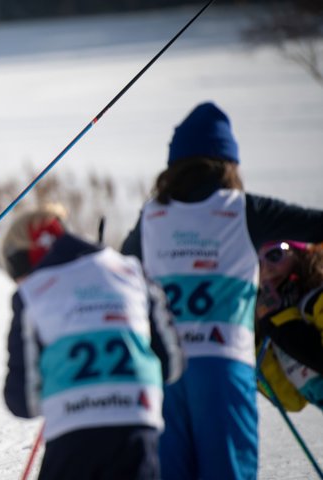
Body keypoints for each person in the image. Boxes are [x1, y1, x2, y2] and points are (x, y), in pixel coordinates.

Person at [120, 101, 323, 479]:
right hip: (222, 366)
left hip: (165, 372)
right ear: (228, 163)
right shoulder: (244, 209)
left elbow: (119, 274)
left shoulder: (152, 216)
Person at [2, 204, 184, 480]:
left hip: (72, 438)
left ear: (26, 259)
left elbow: (22, 401)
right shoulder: (132, 272)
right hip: (137, 429)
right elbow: (171, 365)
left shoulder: (31, 294)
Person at [255, 240, 323, 412]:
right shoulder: (273, 319)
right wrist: (252, 343)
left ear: (299, 253)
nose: (266, 269)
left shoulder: (317, 298)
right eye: (256, 264)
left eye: (275, 255)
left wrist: (279, 320)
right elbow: (292, 399)